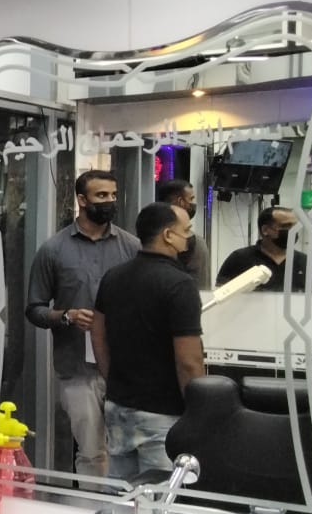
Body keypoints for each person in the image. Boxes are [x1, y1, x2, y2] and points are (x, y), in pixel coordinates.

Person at [26, 170, 140, 478]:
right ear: (82, 200)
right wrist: (67, 316)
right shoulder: (53, 250)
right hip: (76, 369)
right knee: (91, 453)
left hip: (124, 368)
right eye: (101, 195)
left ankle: (125, 509)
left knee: (128, 449)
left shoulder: (132, 247)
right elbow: (34, 309)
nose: (109, 201)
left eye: (113, 195)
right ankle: (91, 508)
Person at [92, 202, 205, 481]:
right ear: (168, 235)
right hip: (163, 414)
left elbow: (98, 335)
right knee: (161, 497)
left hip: (118, 406)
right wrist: (200, 409)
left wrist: (114, 381)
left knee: (121, 493)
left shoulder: (113, 277)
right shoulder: (180, 285)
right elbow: (188, 362)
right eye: (185, 230)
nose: (188, 237)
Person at [215, 207, 312, 291]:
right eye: (286, 226)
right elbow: (221, 295)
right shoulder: (239, 259)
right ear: (265, 230)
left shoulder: (305, 262)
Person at [155, 179, 209, 289]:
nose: (193, 203)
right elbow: (201, 288)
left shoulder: (148, 235)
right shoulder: (196, 243)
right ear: (180, 201)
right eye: (191, 199)